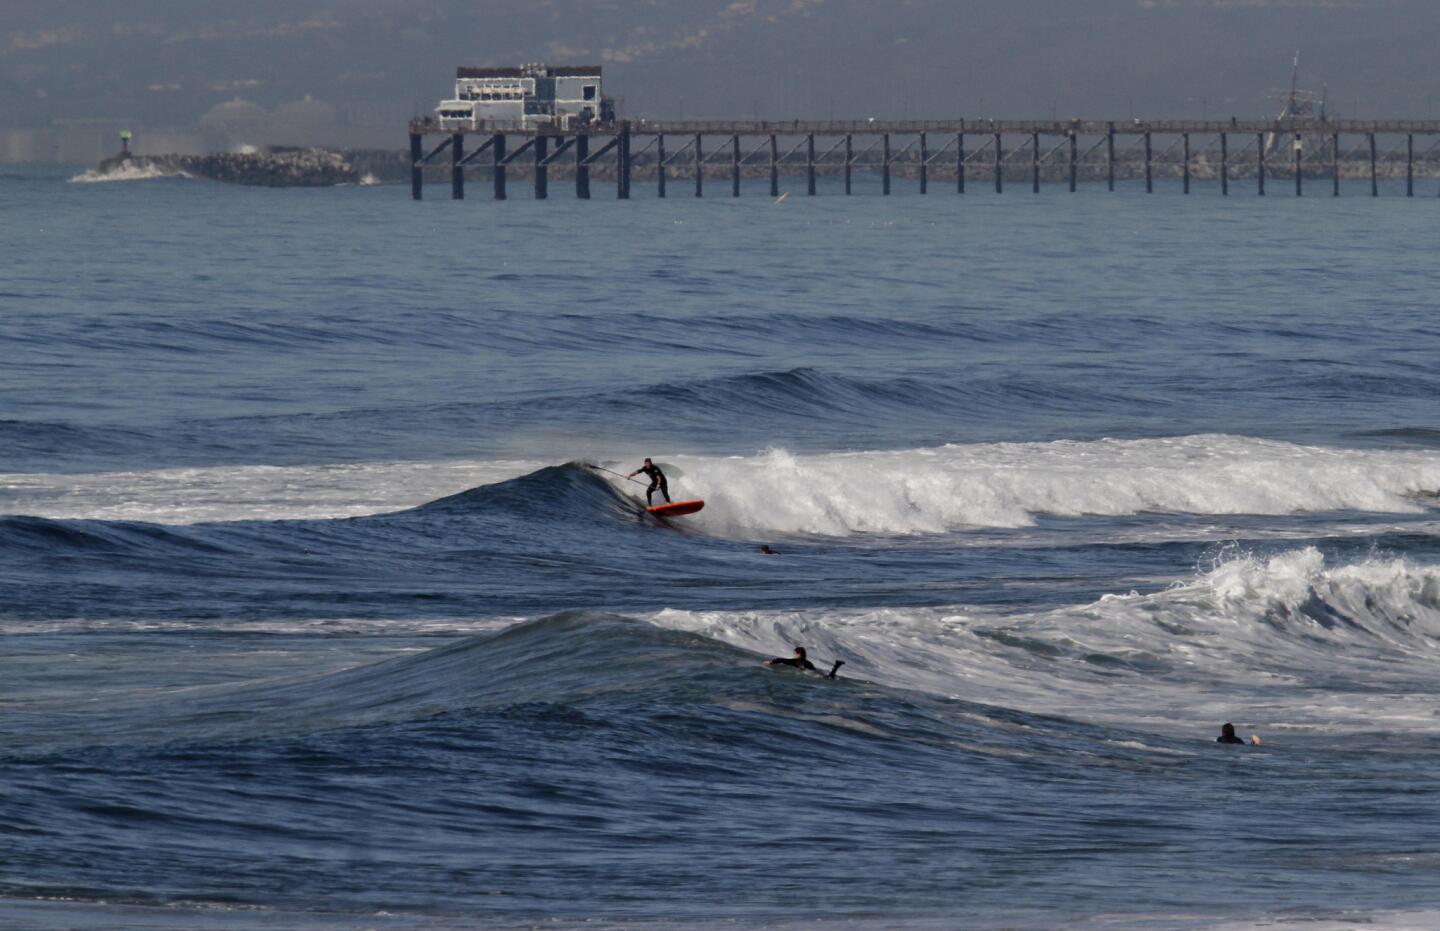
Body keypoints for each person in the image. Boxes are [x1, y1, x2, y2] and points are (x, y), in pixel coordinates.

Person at [766, 646, 844, 679]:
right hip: (815, 672)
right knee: (828, 677)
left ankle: (836, 667)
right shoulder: (808, 662)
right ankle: (836, 667)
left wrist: (771, 662)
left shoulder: (795, 661)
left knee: (828, 678)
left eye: (795, 653)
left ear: (798, 654)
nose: (794, 654)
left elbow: (781, 659)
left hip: (810, 675)